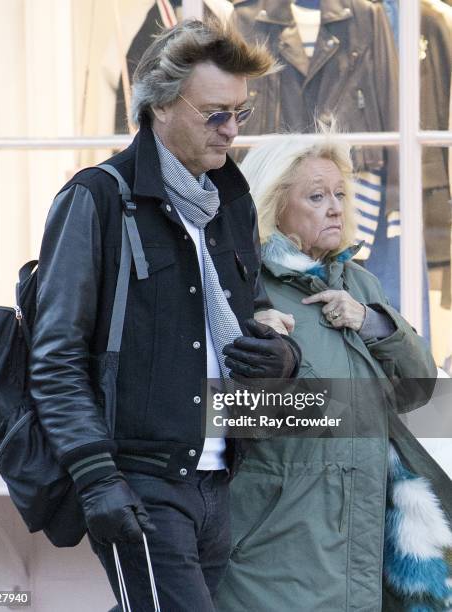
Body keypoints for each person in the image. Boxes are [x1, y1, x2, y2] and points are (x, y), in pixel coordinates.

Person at [29, 19, 301, 612]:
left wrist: (283, 361)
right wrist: (98, 478)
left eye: (240, 113)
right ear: (158, 104)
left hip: (216, 479)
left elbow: (254, 316)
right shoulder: (97, 197)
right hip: (139, 480)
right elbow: (55, 358)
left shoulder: (229, 198)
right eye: (214, 114)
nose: (231, 131)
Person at [214, 132, 440, 611]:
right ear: (275, 204)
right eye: (316, 196)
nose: (335, 208)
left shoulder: (359, 282)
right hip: (275, 544)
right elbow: (226, 414)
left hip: (355, 544)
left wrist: (372, 320)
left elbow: (418, 385)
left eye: (340, 194)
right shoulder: (244, 287)